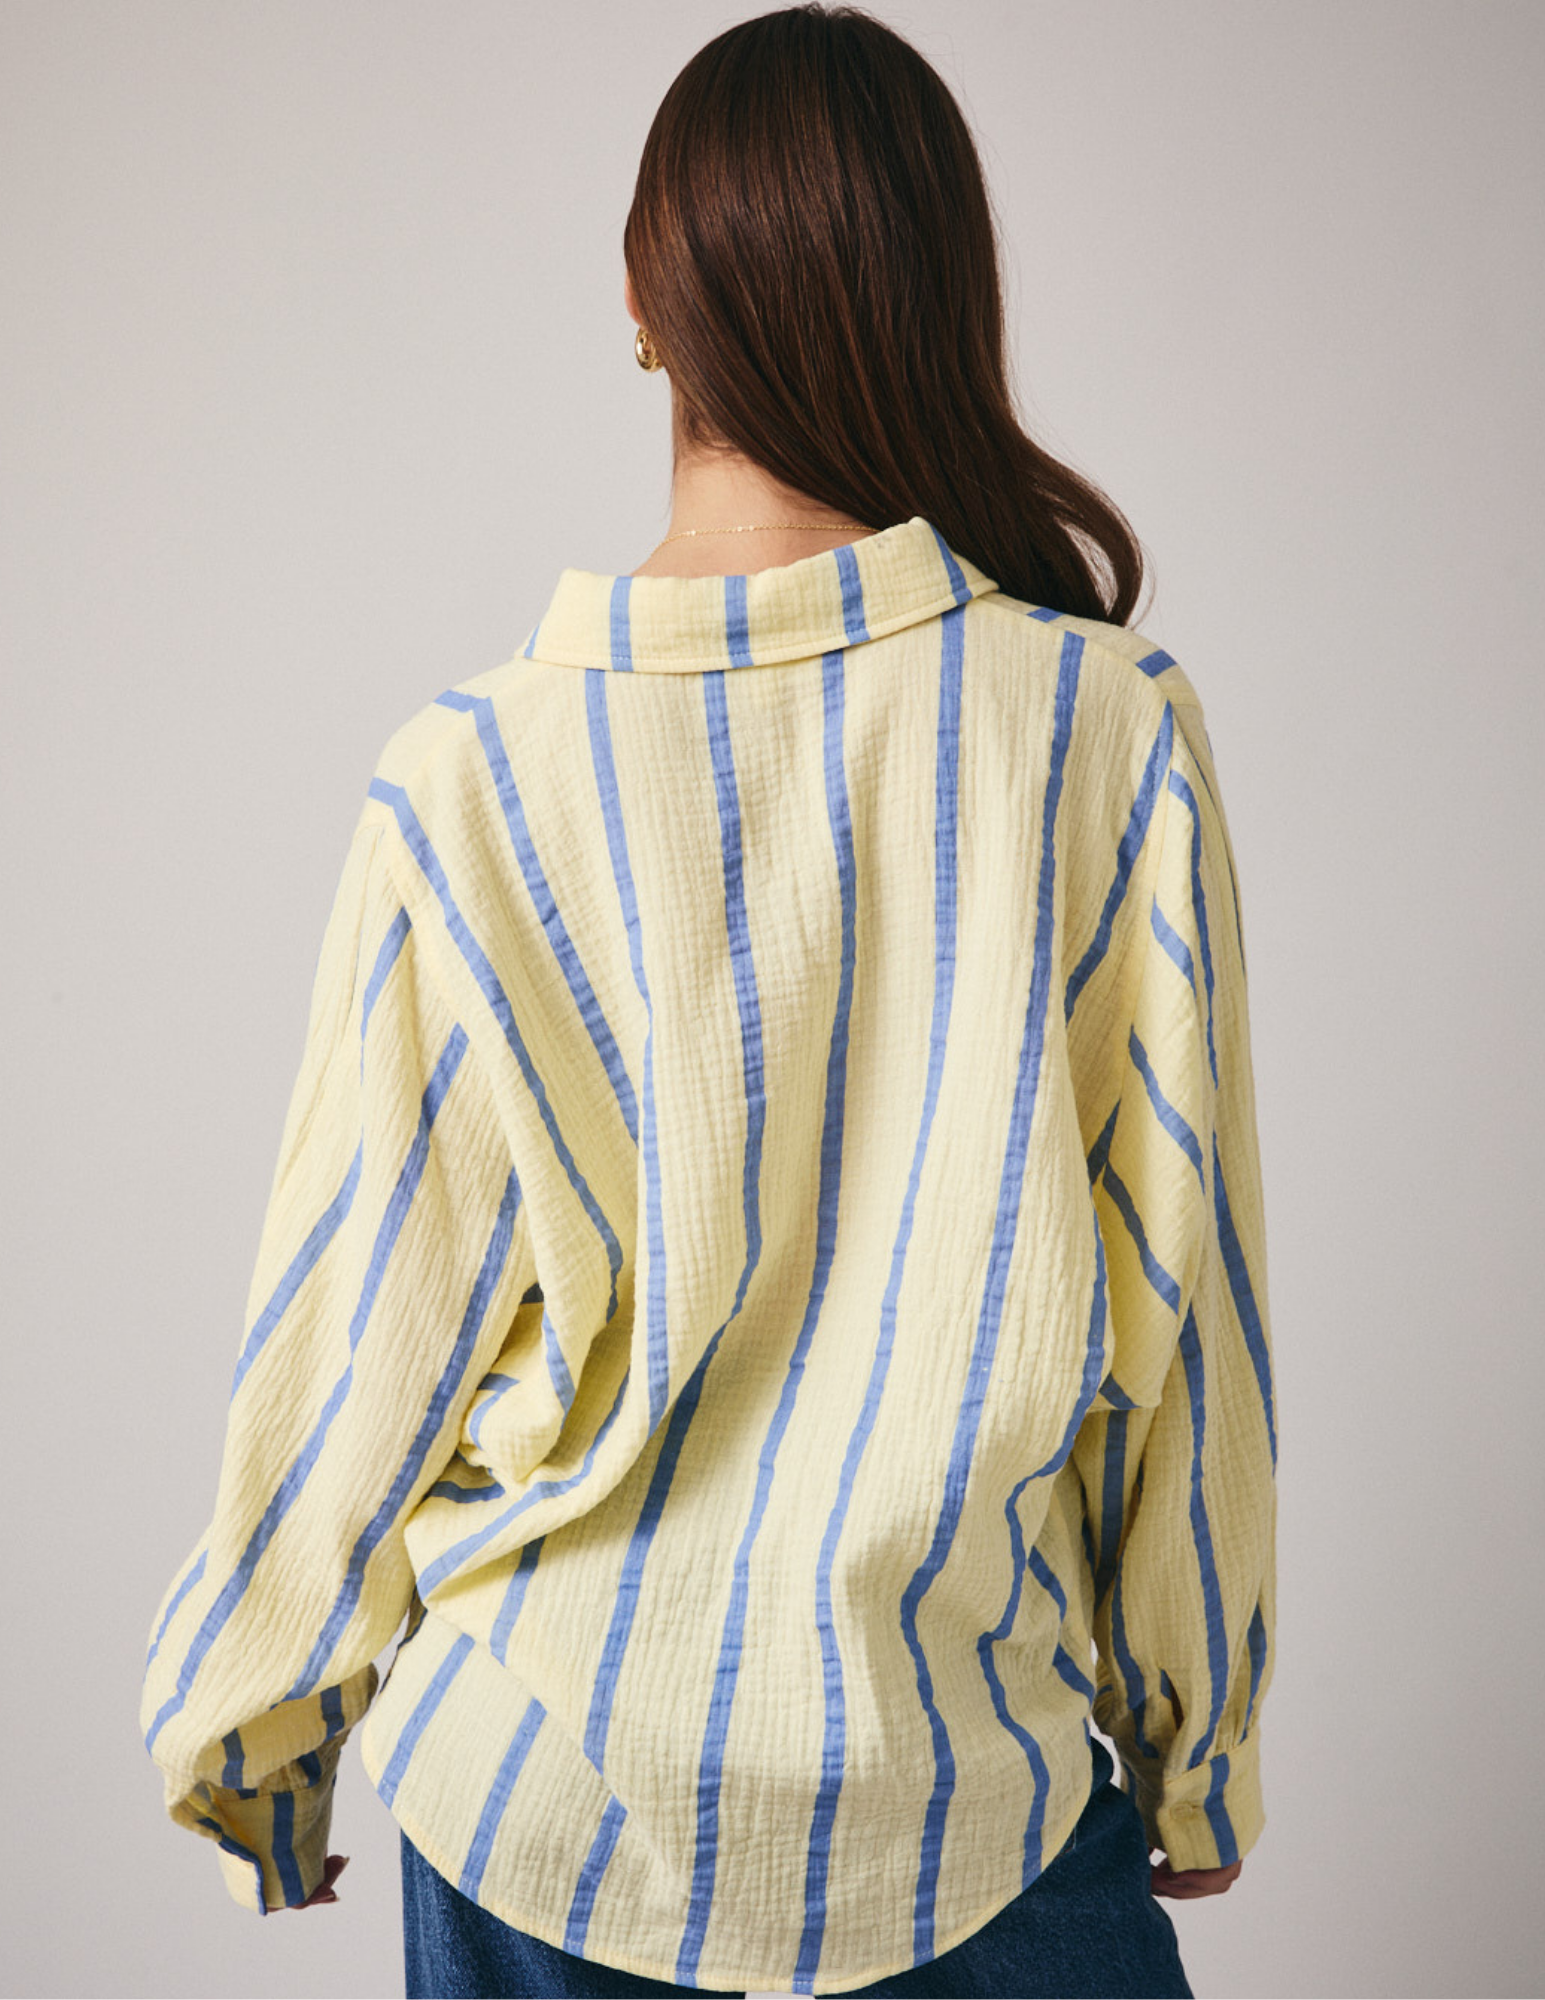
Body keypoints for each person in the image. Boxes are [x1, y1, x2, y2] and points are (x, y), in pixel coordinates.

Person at [138, 5, 1277, 1995]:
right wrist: (1193, 1739)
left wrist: (258, 1730)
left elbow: (362, 1317)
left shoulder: (471, 779)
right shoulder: (1103, 732)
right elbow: (1183, 1298)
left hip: (544, 1803)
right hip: (965, 1789)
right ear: (946, 301)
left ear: (644, 306)